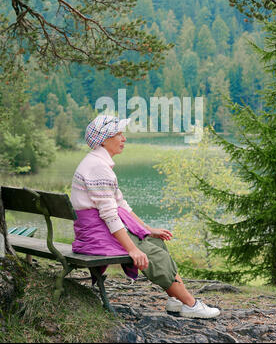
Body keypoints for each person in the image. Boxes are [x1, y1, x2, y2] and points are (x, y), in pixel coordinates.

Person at [71, 115, 220, 319]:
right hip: (96, 234)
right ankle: (191, 304)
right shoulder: (98, 168)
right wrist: (132, 249)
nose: (124, 138)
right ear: (104, 140)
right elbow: (110, 216)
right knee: (153, 254)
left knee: (155, 244)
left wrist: (147, 229)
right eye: (118, 134)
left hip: (98, 229)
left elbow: (121, 205)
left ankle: (176, 300)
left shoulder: (99, 163)